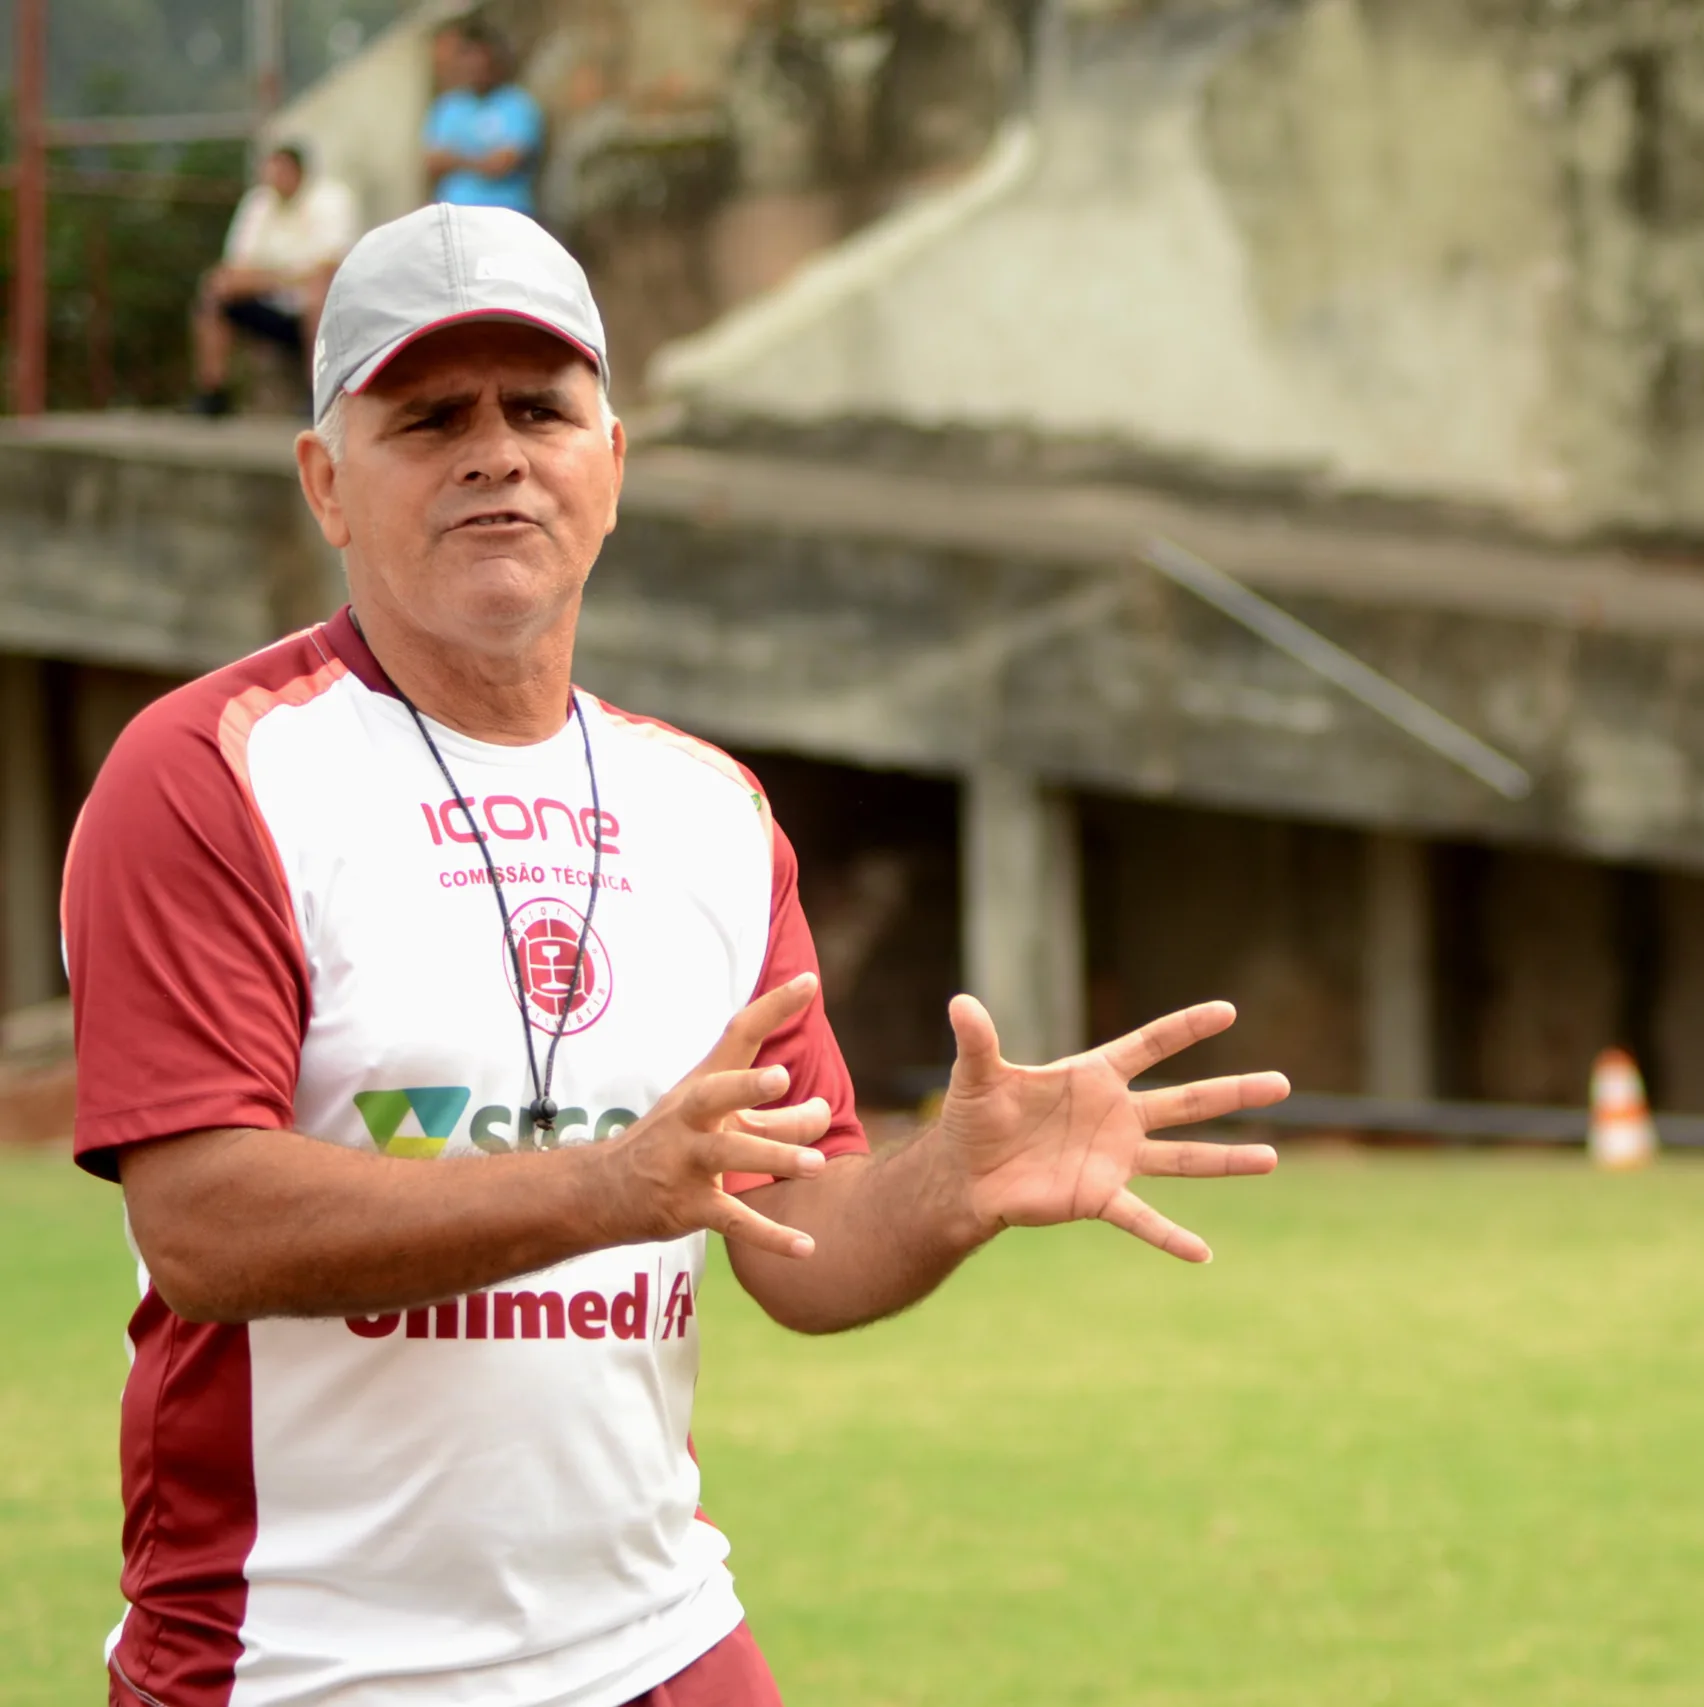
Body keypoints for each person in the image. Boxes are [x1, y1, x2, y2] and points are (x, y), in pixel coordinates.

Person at [70, 202, 1287, 1706]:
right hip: (303, 1663)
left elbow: (807, 1240)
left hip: (655, 1641)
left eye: (541, 407)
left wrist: (949, 1183)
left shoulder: (707, 808)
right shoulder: (208, 772)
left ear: (613, 464)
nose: (496, 451)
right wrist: (605, 1184)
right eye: (429, 415)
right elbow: (202, 1224)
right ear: (325, 478)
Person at [188, 143, 360, 417]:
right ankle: (213, 392)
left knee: (318, 295)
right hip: (271, 302)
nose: (273, 178)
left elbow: (328, 268)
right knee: (215, 290)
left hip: (316, 310)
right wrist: (285, 278)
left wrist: (268, 277)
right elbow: (235, 268)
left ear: (299, 172)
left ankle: (317, 394)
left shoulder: (332, 200)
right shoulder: (258, 202)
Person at [422, 18, 544, 216]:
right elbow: (433, 164)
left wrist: (456, 160)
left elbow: (502, 164)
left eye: (482, 60)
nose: (475, 68)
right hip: (454, 218)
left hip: (505, 215)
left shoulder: (517, 104)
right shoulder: (448, 107)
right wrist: (481, 161)